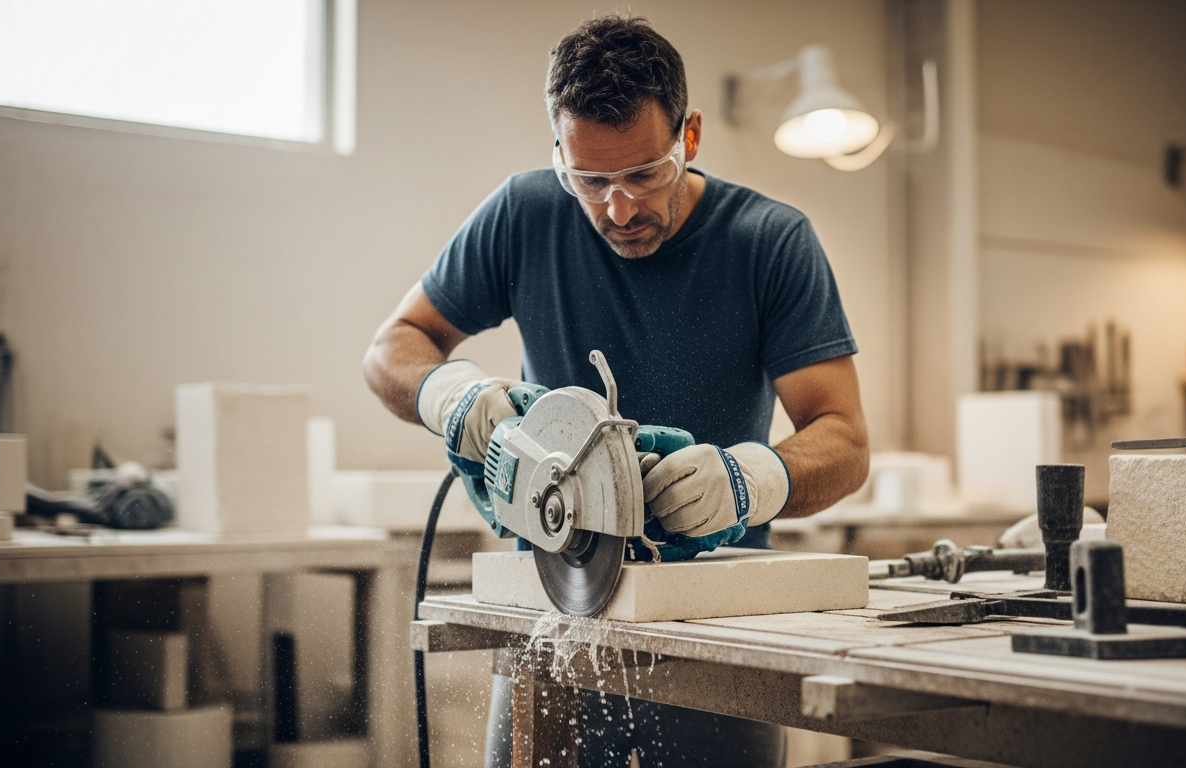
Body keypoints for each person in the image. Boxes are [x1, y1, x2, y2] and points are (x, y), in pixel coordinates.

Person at [363, 14, 869, 768]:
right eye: (590, 181)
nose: (619, 208)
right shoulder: (526, 212)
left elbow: (846, 438)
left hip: (716, 634)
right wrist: (452, 397)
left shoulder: (769, 241)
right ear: (559, 152)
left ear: (689, 136)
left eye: (644, 174)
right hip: (554, 615)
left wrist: (751, 480)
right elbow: (391, 348)